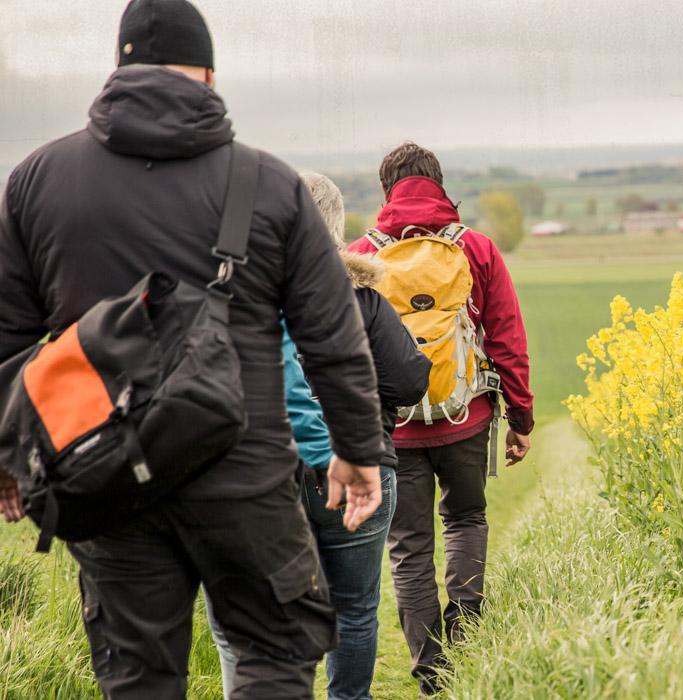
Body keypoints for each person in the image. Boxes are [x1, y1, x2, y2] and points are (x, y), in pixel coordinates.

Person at [0, 2, 386, 698]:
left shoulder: (34, 180)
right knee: (275, 651)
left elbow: (6, 339)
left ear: (117, 69)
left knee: (138, 679)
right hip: (246, 477)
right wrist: (356, 451)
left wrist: (6, 460)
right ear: (209, 73)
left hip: (108, 479)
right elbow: (334, 337)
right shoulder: (270, 184)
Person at [206, 173, 432, 699]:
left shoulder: (240, 295)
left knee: (246, 613)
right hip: (362, 469)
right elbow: (409, 381)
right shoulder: (365, 301)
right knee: (354, 608)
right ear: (334, 226)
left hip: (263, 475)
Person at [347, 142, 534, 694]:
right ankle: (468, 637)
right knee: (466, 519)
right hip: (467, 416)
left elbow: (344, 350)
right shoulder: (475, 248)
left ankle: (431, 672)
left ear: (387, 191)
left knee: (408, 545)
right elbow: (506, 340)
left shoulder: (361, 255)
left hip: (394, 428)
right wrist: (521, 417)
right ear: (440, 185)